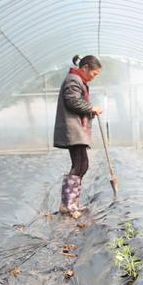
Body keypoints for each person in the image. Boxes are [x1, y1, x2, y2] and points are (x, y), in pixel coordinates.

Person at [54, 55, 103, 218]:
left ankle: (71, 203)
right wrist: (92, 108)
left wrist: (90, 110)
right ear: (85, 68)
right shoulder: (73, 80)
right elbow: (73, 101)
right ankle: (68, 204)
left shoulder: (77, 80)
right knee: (80, 164)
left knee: (82, 164)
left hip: (76, 128)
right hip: (73, 128)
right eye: (94, 74)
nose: (93, 77)